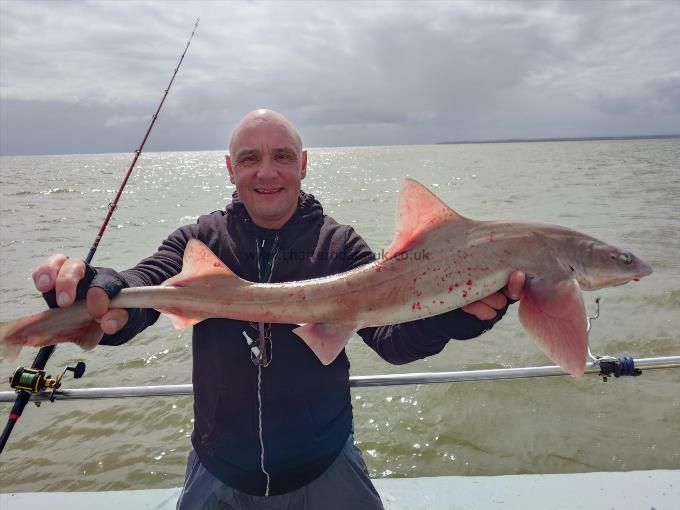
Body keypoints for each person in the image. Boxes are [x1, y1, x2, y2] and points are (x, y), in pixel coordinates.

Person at [33, 109, 524, 509]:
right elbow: (147, 288)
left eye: (282, 157)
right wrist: (101, 290)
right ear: (230, 169)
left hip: (324, 465)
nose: (267, 172)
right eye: (250, 159)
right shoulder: (200, 239)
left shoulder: (340, 247)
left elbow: (392, 343)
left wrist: (452, 318)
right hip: (218, 467)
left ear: (304, 164)